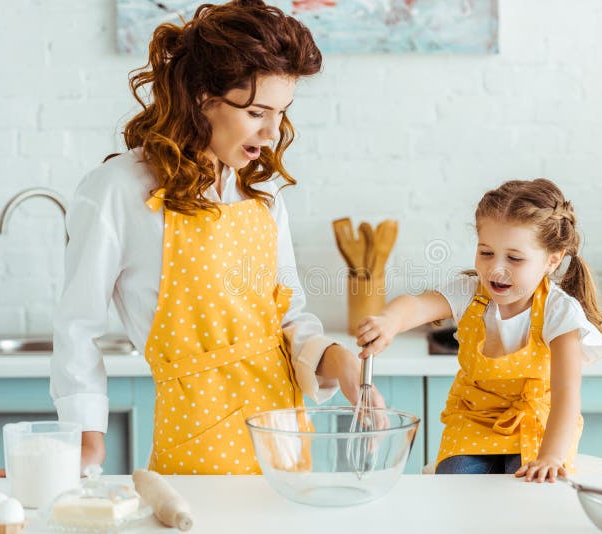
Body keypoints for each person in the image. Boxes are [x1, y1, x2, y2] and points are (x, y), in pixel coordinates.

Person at [42, 0, 379, 476]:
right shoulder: (119, 190)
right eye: (257, 111)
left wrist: (336, 358)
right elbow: (77, 328)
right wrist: (84, 445)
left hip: (283, 437)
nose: (272, 131)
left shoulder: (262, 196)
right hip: (198, 442)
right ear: (203, 97)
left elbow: (287, 319)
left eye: (281, 112)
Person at [355, 179, 602, 482]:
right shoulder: (469, 294)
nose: (496, 269)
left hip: (537, 423)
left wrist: (551, 456)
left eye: (514, 258)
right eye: (486, 253)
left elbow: (567, 395)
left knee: (525, 489)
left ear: (551, 261)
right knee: (457, 485)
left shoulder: (559, 312)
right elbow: (417, 305)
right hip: (473, 420)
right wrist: (389, 321)